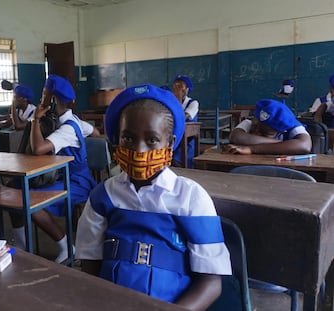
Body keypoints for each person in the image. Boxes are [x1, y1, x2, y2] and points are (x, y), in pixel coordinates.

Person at [75, 84, 231, 310]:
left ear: (169, 143)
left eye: (152, 140)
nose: (139, 151)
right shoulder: (104, 195)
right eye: (128, 139)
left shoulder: (190, 198)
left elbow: (210, 282)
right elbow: (90, 264)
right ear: (117, 140)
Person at [10, 75, 96, 264]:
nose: (41, 100)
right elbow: (94, 132)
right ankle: (23, 246)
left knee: (28, 201)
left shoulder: (67, 128)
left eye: (44, 95)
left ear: (53, 100)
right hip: (61, 176)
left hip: (76, 181)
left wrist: (34, 120)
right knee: (15, 190)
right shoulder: (69, 120)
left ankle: (66, 247)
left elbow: (38, 148)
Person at [224, 99, 312, 155]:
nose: (256, 131)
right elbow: (236, 137)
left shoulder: (293, 127)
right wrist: (281, 143)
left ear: (280, 131)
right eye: (255, 125)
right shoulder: (249, 122)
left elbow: (304, 146)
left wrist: (252, 149)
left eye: (263, 133)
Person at [172, 75, 199, 168]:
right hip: (175, 137)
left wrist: (178, 98)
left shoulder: (193, 103)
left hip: (187, 140)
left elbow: (181, 117)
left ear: (187, 90)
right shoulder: (171, 102)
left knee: (178, 162)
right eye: (175, 86)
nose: (177, 89)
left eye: (180, 87)